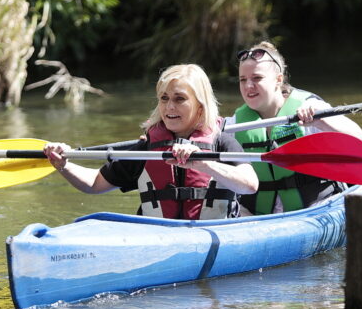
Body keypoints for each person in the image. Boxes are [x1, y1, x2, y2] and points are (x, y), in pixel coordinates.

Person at [44, 64, 258, 220]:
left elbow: (250, 185)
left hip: (215, 235)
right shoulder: (147, 148)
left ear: (200, 106)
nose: (169, 107)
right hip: (158, 237)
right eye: (164, 99)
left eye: (179, 99)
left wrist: (201, 163)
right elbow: (94, 184)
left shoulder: (222, 142)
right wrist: (63, 165)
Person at [225, 41, 362, 216]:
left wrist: (320, 121)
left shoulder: (310, 107)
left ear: (278, 79)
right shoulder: (235, 124)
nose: (248, 86)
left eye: (257, 78)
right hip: (259, 216)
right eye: (242, 79)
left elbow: (361, 140)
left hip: (316, 207)